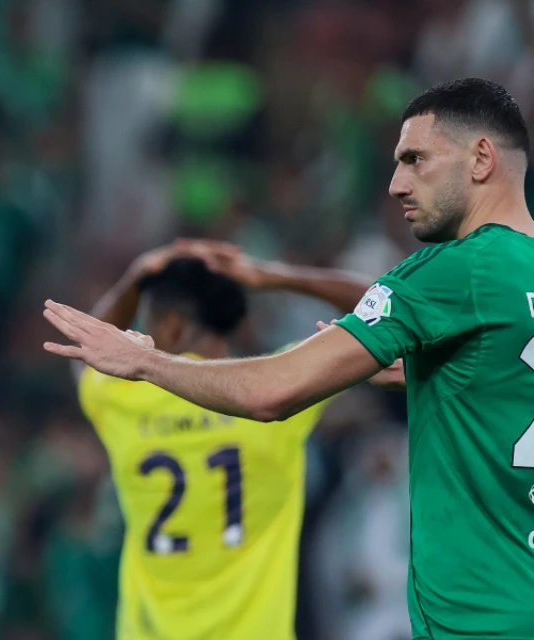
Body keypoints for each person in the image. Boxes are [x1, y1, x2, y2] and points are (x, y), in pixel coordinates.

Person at [45, 77, 534, 639]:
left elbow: (270, 392)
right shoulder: (502, 285)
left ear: (481, 158)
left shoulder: (455, 271)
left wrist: (144, 362)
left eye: (415, 159)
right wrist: (437, 380)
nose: (396, 183)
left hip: (479, 622)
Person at [73, 239, 374, 639]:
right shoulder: (279, 387)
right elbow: (385, 309)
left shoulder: (125, 399)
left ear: (172, 325)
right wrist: (271, 276)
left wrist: (133, 280)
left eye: (147, 323)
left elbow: (91, 356)